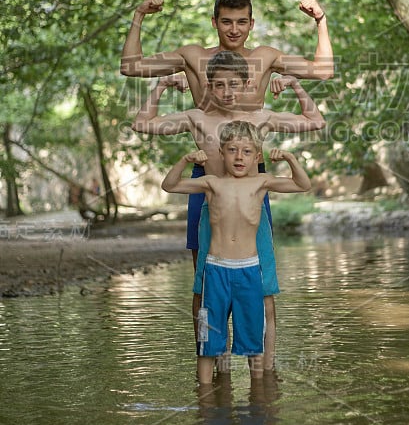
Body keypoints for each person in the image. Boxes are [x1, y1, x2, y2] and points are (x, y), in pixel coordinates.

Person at [132, 50, 325, 369]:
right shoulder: (197, 118)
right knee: (208, 293)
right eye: (218, 85)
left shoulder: (260, 118)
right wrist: (162, 86)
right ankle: (214, 367)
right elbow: (142, 123)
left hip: (252, 216)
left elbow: (315, 121)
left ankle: (264, 370)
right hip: (214, 214)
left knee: (264, 294)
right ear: (208, 86)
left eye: (233, 84)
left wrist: (294, 85)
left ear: (248, 84)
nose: (226, 92)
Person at [161, 121, 311, 384]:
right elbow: (169, 185)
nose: (239, 157)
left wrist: (289, 157)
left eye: (246, 151)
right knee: (208, 340)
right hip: (215, 270)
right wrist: (185, 159)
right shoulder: (211, 183)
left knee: (254, 343)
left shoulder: (261, 182)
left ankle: (259, 397)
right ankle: (205, 399)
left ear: (257, 155)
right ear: (221, 152)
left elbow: (302, 184)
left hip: (249, 270)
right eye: (232, 150)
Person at [120, 0, 334, 109]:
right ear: (214, 22)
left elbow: (323, 71)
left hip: (251, 174)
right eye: (226, 22)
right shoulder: (194, 57)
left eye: (241, 22)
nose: (234, 30)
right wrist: (139, 15)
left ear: (251, 24)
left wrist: (320, 20)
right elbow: (131, 67)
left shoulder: (265, 57)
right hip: (207, 172)